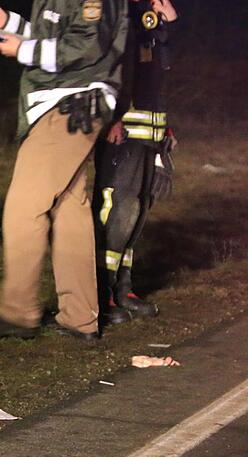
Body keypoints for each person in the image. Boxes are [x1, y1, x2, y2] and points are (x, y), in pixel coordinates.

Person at [0, 0, 127, 341]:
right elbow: (56, 37)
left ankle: (18, 312)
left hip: (72, 105)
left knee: (24, 207)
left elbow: (87, 45)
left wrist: (23, 48)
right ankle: (80, 317)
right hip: (65, 104)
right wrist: (8, 23)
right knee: (70, 208)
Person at [92, 0, 178, 324]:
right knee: (116, 211)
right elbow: (106, 67)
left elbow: (155, 75)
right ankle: (102, 294)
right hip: (123, 134)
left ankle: (123, 289)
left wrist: (164, 128)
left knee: (137, 213)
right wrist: (109, 119)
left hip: (149, 135)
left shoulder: (151, 21)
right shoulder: (117, 12)